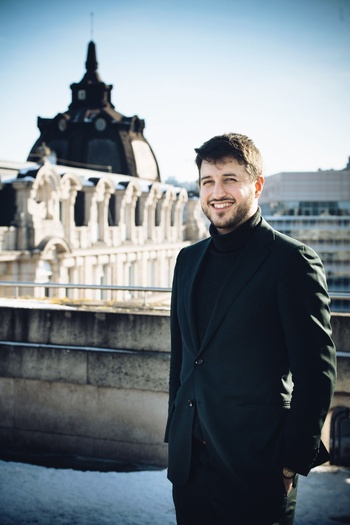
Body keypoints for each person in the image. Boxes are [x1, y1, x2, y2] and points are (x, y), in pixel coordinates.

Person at [164, 133, 337, 525]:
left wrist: (293, 459)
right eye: (208, 181)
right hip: (189, 467)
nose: (217, 192)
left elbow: (317, 374)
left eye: (229, 179)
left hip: (258, 467)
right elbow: (183, 360)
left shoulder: (292, 261)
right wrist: (174, 436)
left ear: (256, 185)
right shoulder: (187, 261)